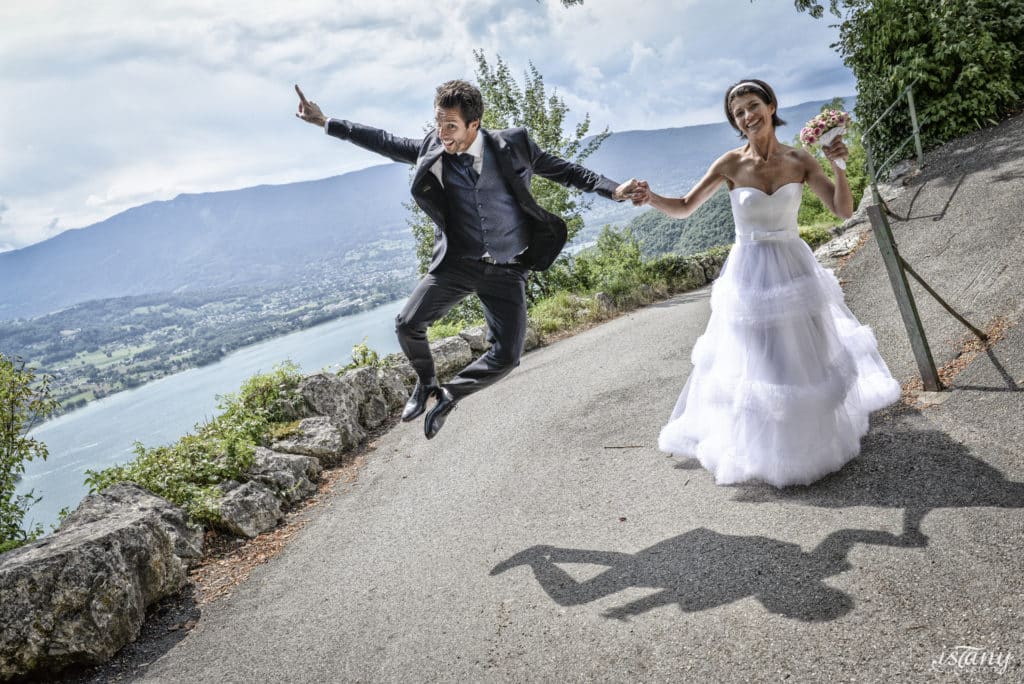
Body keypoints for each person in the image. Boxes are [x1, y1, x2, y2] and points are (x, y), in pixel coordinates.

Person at [295, 80, 637, 439]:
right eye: (438, 123)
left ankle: (450, 394)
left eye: (451, 126)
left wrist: (612, 189)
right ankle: (427, 383)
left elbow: (566, 171)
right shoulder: (432, 148)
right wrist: (326, 122)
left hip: (508, 267)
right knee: (407, 324)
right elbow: (384, 140)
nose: (442, 133)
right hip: (459, 263)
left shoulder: (515, 144)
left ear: (475, 124)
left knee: (507, 356)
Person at [632, 78, 900, 487]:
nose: (747, 116)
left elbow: (843, 210)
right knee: (763, 363)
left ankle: (813, 445)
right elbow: (685, 207)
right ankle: (771, 453)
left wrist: (839, 167)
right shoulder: (729, 164)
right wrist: (651, 197)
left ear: (771, 106)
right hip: (749, 273)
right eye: (738, 113)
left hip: (794, 266)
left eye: (753, 105)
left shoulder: (800, 159)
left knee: (805, 358)